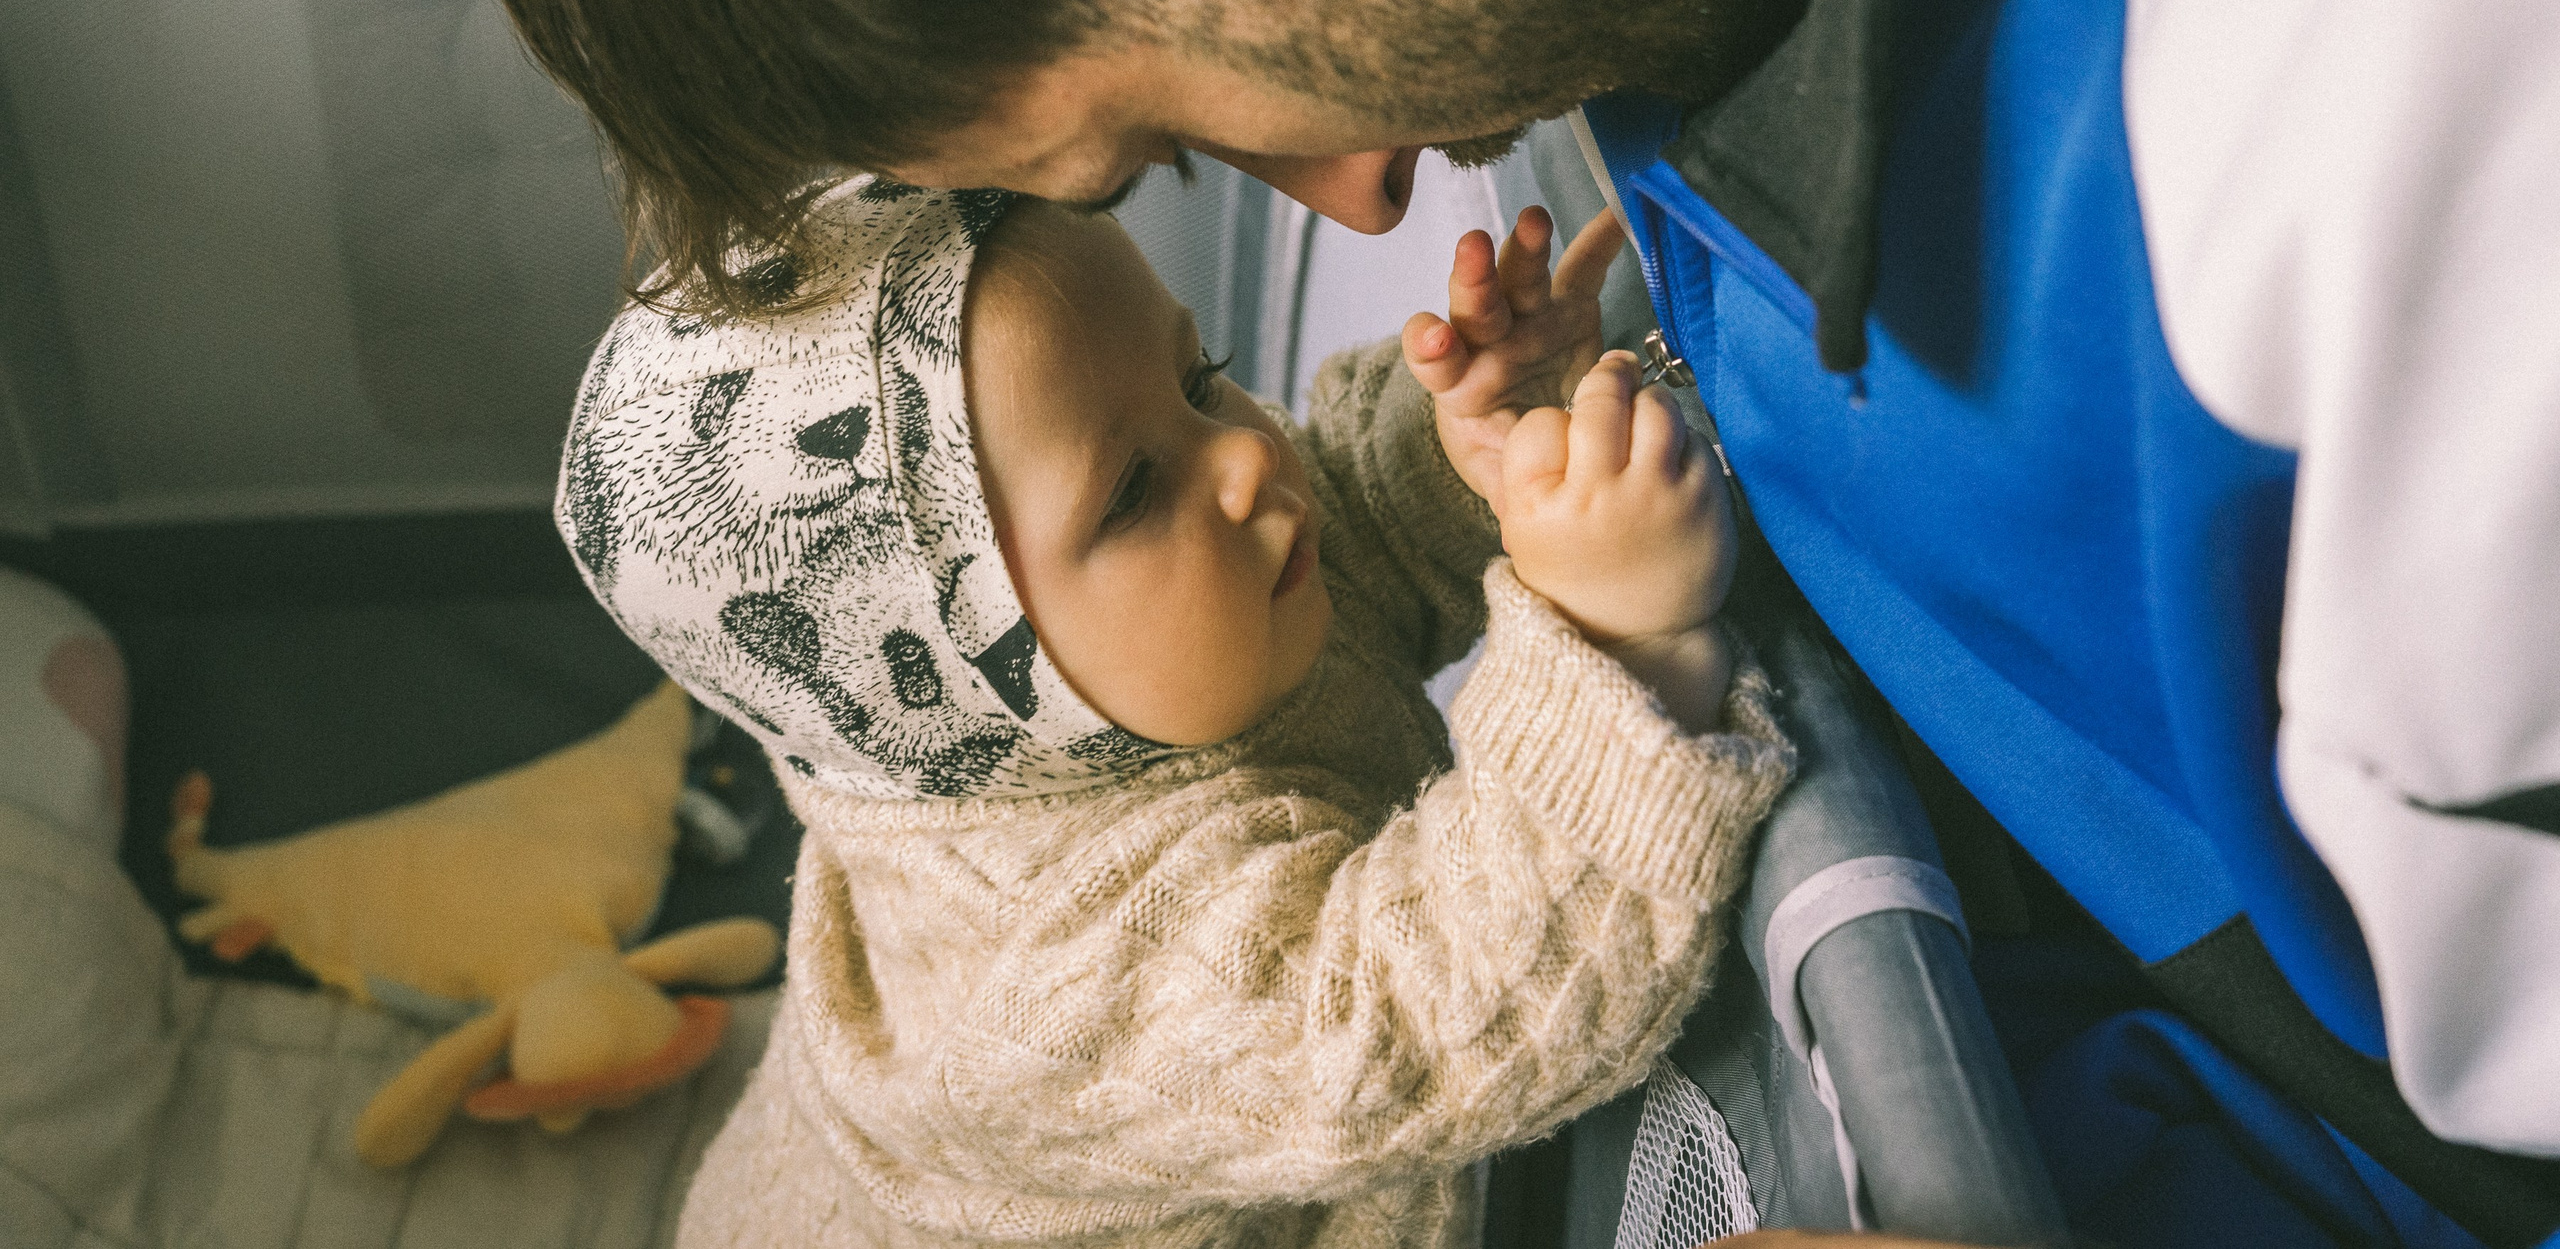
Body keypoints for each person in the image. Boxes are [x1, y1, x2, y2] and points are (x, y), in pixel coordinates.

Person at [395, 0, 2560, 1238]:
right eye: (1171, 157)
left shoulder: (2386, 74)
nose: (1359, 195)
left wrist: (1538, 569)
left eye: (1159, 141)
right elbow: (1411, 1008)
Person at [554, 178, 1793, 1246]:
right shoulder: (1062, 995)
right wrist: (1621, 645)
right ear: (958, 685)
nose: (1245, 455)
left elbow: (1350, 532)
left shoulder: (1142, 640)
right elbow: (1437, 1017)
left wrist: (1486, 443)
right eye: (1133, 490)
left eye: (1199, 378)